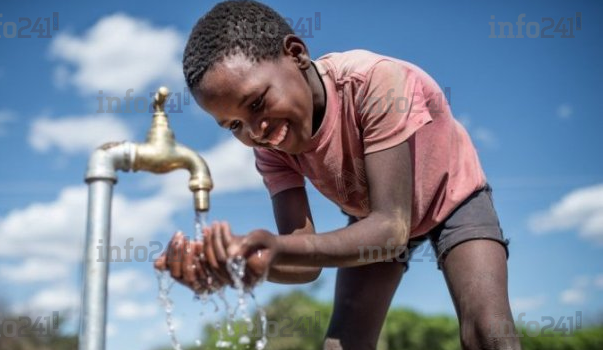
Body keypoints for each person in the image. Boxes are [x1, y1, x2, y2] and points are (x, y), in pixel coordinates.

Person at [155, 1, 521, 349]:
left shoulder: (375, 83)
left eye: (256, 103)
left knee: (487, 332)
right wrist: (239, 266)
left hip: (451, 196)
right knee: (342, 344)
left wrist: (274, 247)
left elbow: (392, 230)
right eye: (234, 124)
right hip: (371, 219)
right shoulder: (270, 149)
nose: (256, 131)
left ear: (296, 54)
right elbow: (303, 266)